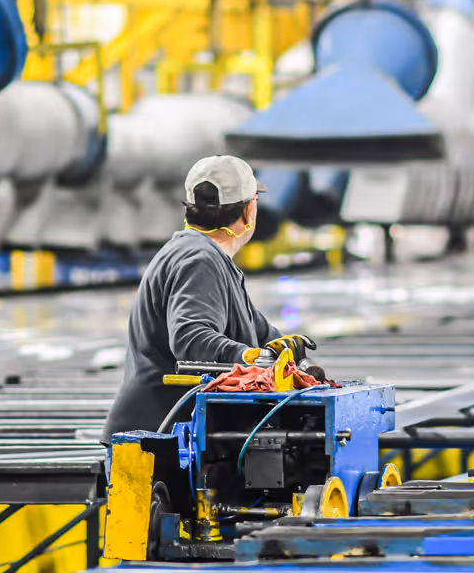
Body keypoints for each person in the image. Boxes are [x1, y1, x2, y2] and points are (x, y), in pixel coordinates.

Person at [103, 154, 315, 438]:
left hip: (174, 433)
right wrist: (251, 357)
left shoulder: (208, 258)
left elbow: (258, 331)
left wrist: (287, 354)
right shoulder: (198, 258)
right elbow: (191, 338)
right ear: (248, 212)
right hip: (159, 441)